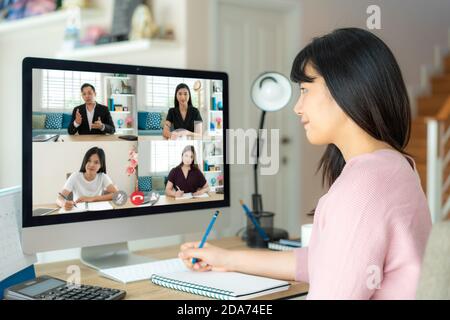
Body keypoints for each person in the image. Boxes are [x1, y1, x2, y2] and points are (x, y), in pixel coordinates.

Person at [177, 28, 432, 299]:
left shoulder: (361, 190)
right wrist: (226, 259)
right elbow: (323, 261)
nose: (297, 107)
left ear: (345, 88)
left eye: (305, 90)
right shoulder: (395, 165)